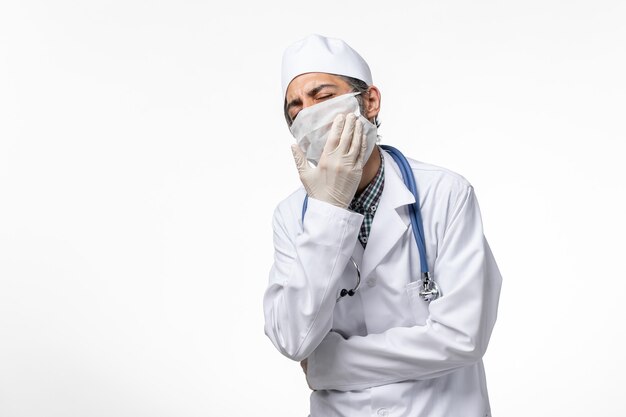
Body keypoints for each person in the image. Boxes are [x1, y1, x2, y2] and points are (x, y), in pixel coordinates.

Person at [263, 34, 503, 417]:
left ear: (370, 102)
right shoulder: (293, 216)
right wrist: (330, 210)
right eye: (296, 107)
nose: (308, 113)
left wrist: (327, 366)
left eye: (322, 97)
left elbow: (463, 337)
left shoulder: (445, 194)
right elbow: (294, 338)